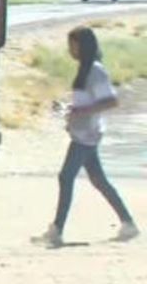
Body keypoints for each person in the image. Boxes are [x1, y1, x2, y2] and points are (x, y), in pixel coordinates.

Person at [33, 27, 139, 247]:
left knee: (66, 177)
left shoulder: (96, 71)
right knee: (99, 180)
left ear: (83, 45)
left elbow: (111, 101)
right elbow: (86, 102)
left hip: (87, 135)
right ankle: (128, 223)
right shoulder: (84, 69)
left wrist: (82, 112)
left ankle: (57, 230)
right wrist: (68, 109)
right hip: (84, 132)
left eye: (73, 44)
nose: (70, 49)